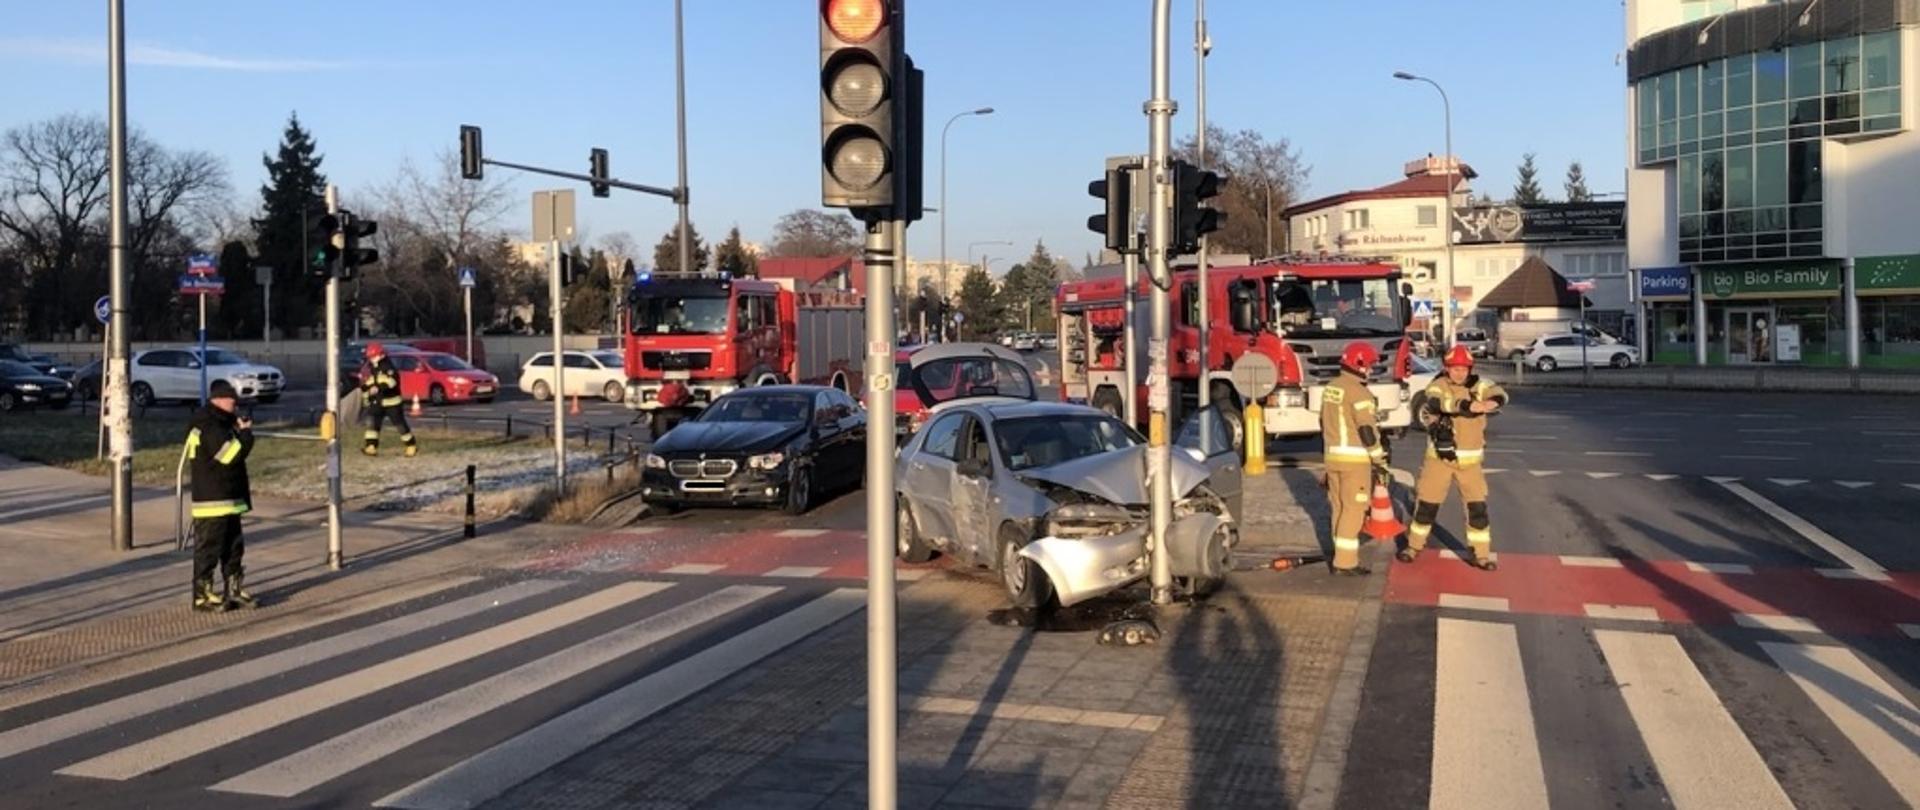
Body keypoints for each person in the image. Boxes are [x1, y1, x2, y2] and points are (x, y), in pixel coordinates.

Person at [1402, 345, 1508, 571]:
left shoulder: (1479, 385)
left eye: (1463, 369)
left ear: (1470, 369)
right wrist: (1469, 405)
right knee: (1427, 506)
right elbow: (1438, 403)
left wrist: (1492, 402)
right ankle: (1413, 546)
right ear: (1446, 368)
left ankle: (1480, 554)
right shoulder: (1438, 385)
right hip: (1439, 460)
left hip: (1470, 465)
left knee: (1477, 509)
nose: (1459, 373)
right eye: (1454, 369)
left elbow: (1500, 393)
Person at [1319, 341, 1390, 576]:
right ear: (1359, 364)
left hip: (1333, 459)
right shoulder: (1360, 392)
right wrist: (1379, 461)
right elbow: (1367, 431)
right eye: (1369, 365)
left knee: (1338, 508)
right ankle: (1345, 562)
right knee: (1354, 510)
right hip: (1355, 462)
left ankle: (1339, 555)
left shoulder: (1331, 387)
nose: (1370, 370)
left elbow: (1323, 422)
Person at [187, 380, 256, 611]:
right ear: (217, 399)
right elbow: (229, 455)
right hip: (213, 499)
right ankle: (202, 595)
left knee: (234, 548)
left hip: (228, 499)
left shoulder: (218, 422)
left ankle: (233, 589)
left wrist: (236, 430)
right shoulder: (210, 424)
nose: (235, 405)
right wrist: (245, 435)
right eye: (231, 400)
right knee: (208, 550)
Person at [359, 342, 417, 457]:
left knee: (400, 425)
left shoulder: (389, 368)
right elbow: (373, 380)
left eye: (373, 357)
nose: (371, 359)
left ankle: (411, 446)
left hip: (392, 403)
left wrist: (378, 389)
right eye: (370, 357)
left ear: (381, 355)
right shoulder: (374, 368)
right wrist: (365, 387)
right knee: (372, 424)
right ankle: (371, 446)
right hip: (378, 402)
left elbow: (392, 383)